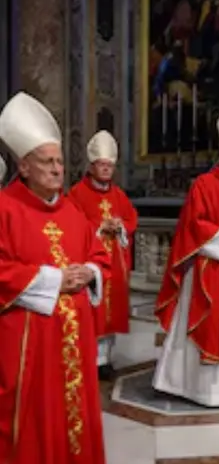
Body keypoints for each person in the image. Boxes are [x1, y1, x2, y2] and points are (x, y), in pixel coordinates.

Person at [0, 92, 111, 464]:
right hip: (26, 341)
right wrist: (51, 280)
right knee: (27, 415)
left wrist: (88, 272)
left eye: (60, 162)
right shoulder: (5, 209)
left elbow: (99, 255)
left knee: (66, 414)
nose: (57, 170)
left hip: (71, 342)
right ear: (23, 166)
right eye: (46, 162)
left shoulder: (72, 212)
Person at [151, 109, 219, 407]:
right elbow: (194, 223)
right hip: (208, 268)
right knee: (205, 321)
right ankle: (192, 387)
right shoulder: (203, 184)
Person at [68, 130, 139, 380]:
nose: (106, 170)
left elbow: (132, 218)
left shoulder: (118, 194)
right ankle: (91, 359)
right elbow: (72, 225)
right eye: (102, 165)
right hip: (92, 265)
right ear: (91, 165)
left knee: (112, 315)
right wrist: (100, 226)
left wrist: (121, 226)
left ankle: (106, 359)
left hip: (115, 266)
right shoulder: (77, 193)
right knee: (93, 312)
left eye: (110, 166)